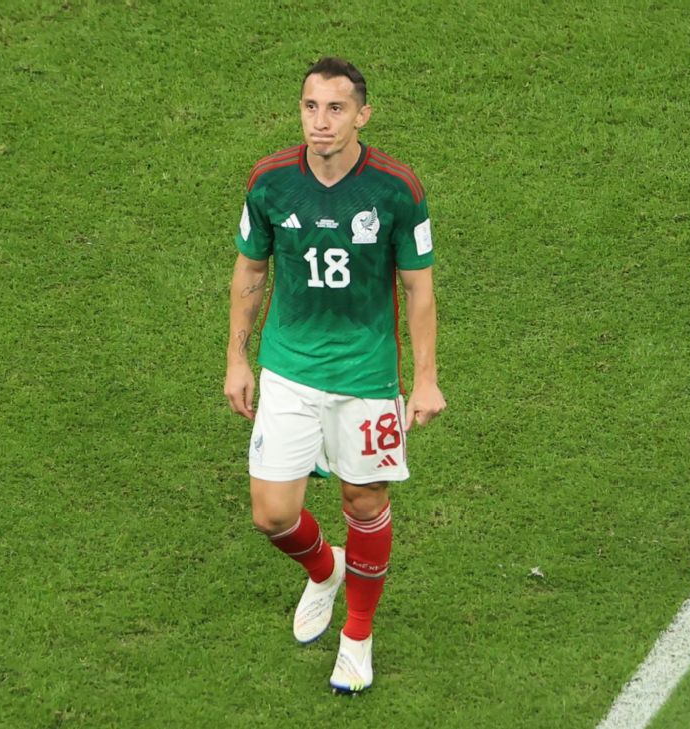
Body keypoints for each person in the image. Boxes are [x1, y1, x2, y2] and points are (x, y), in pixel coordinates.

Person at [224, 56, 446, 694]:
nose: (321, 122)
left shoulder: (395, 189)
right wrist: (238, 359)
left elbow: (418, 289)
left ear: (362, 115)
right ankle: (325, 571)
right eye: (311, 107)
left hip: (366, 375)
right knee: (271, 514)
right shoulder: (269, 182)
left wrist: (425, 378)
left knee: (364, 500)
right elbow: (250, 274)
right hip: (289, 369)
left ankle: (358, 636)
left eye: (336, 108)